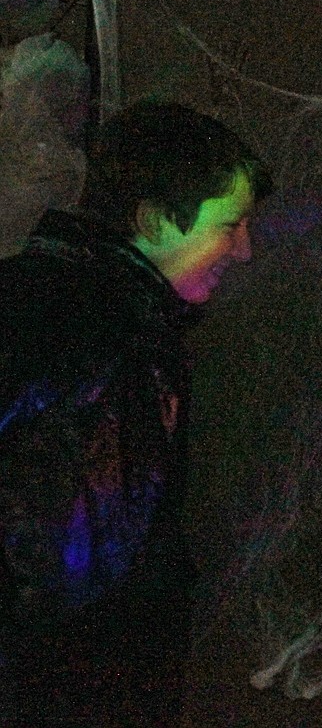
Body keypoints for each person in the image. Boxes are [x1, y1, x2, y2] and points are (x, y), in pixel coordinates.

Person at [0, 101, 271, 727]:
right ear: (153, 221)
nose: (245, 250)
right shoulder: (84, 326)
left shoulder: (98, 312)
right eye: (229, 225)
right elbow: (81, 565)